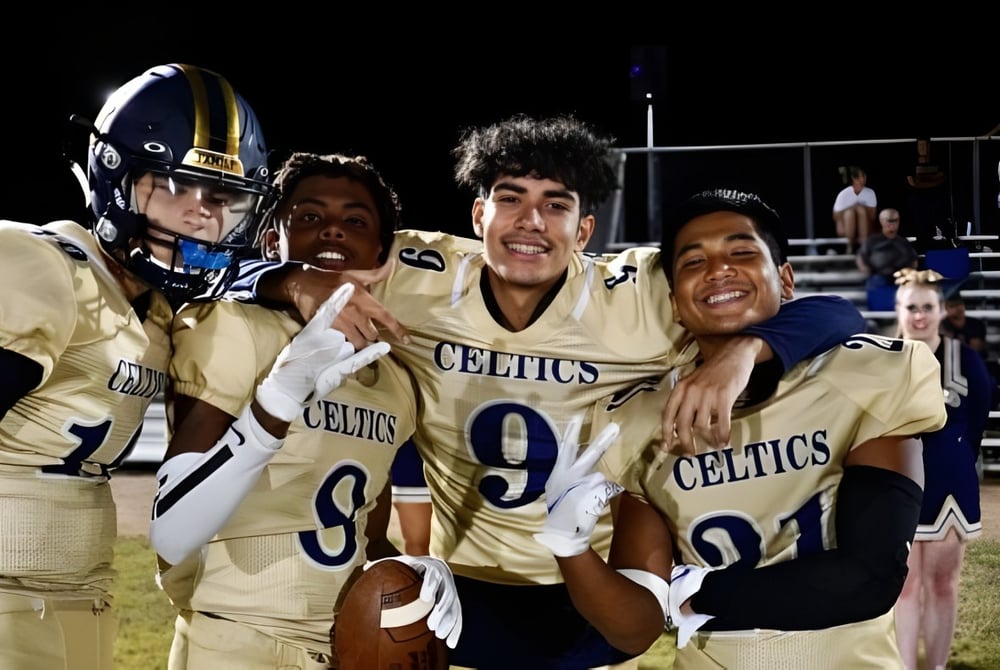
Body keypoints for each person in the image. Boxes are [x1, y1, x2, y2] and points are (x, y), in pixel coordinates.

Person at [233, 114, 867, 669]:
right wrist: (290, 280)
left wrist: (743, 353)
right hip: (458, 592)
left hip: (592, 591)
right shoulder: (413, 276)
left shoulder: (639, 297)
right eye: (510, 199)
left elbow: (832, 315)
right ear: (478, 214)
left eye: (556, 204)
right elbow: (228, 264)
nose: (531, 222)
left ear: (585, 230)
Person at [541, 188, 949, 668]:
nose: (718, 270)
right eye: (694, 263)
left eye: (742, 252)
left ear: (787, 279)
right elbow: (636, 630)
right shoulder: (638, 419)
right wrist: (569, 547)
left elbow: (869, 579)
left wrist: (706, 595)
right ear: (674, 304)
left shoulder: (864, 374)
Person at [0, 63, 273, 670]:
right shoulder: (41, 267)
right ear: (117, 178)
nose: (203, 214)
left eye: (224, 198)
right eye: (176, 186)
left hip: (77, 599)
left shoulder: (155, 316)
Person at [147, 151, 462, 669]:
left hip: (343, 647)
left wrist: (410, 571)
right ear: (273, 240)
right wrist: (278, 401)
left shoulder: (395, 379)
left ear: (382, 252)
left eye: (355, 221)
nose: (334, 231)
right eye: (310, 217)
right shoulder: (232, 327)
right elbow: (173, 532)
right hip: (234, 639)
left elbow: (368, 535)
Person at [890, 269, 993, 670]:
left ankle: (934, 667)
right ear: (898, 310)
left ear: (940, 311)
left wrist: (953, 457)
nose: (919, 317)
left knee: (941, 585)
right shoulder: (880, 359)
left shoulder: (966, 359)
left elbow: (978, 419)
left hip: (950, 484)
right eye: (911, 308)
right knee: (904, 587)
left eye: (927, 308)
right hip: (896, 484)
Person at [855, 207, 919, 308]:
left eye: (895, 221)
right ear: (882, 222)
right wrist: (865, 270)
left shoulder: (903, 242)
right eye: (889, 221)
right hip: (878, 276)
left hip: (901, 278)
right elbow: (861, 258)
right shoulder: (872, 241)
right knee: (877, 281)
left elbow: (914, 260)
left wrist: (909, 273)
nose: (892, 225)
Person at [906, 137, 951, 252]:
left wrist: (922, 180)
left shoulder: (938, 160)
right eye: (920, 145)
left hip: (936, 199)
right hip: (918, 200)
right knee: (921, 227)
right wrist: (933, 179)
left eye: (925, 145)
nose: (923, 148)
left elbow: (943, 178)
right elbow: (913, 183)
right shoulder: (911, 161)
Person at [832, 165, 877, 253]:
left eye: (864, 176)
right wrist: (851, 208)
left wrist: (861, 209)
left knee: (861, 210)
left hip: (866, 226)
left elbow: (873, 216)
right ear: (853, 178)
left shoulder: (870, 193)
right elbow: (835, 216)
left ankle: (863, 244)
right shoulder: (844, 194)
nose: (862, 179)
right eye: (859, 177)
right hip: (845, 227)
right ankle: (849, 246)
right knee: (849, 213)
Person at [941, 291, 988, 357]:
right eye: (953, 306)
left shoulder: (976, 324)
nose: (958, 308)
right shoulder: (942, 326)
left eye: (960, 304)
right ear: (945, 309)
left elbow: (974, 351)